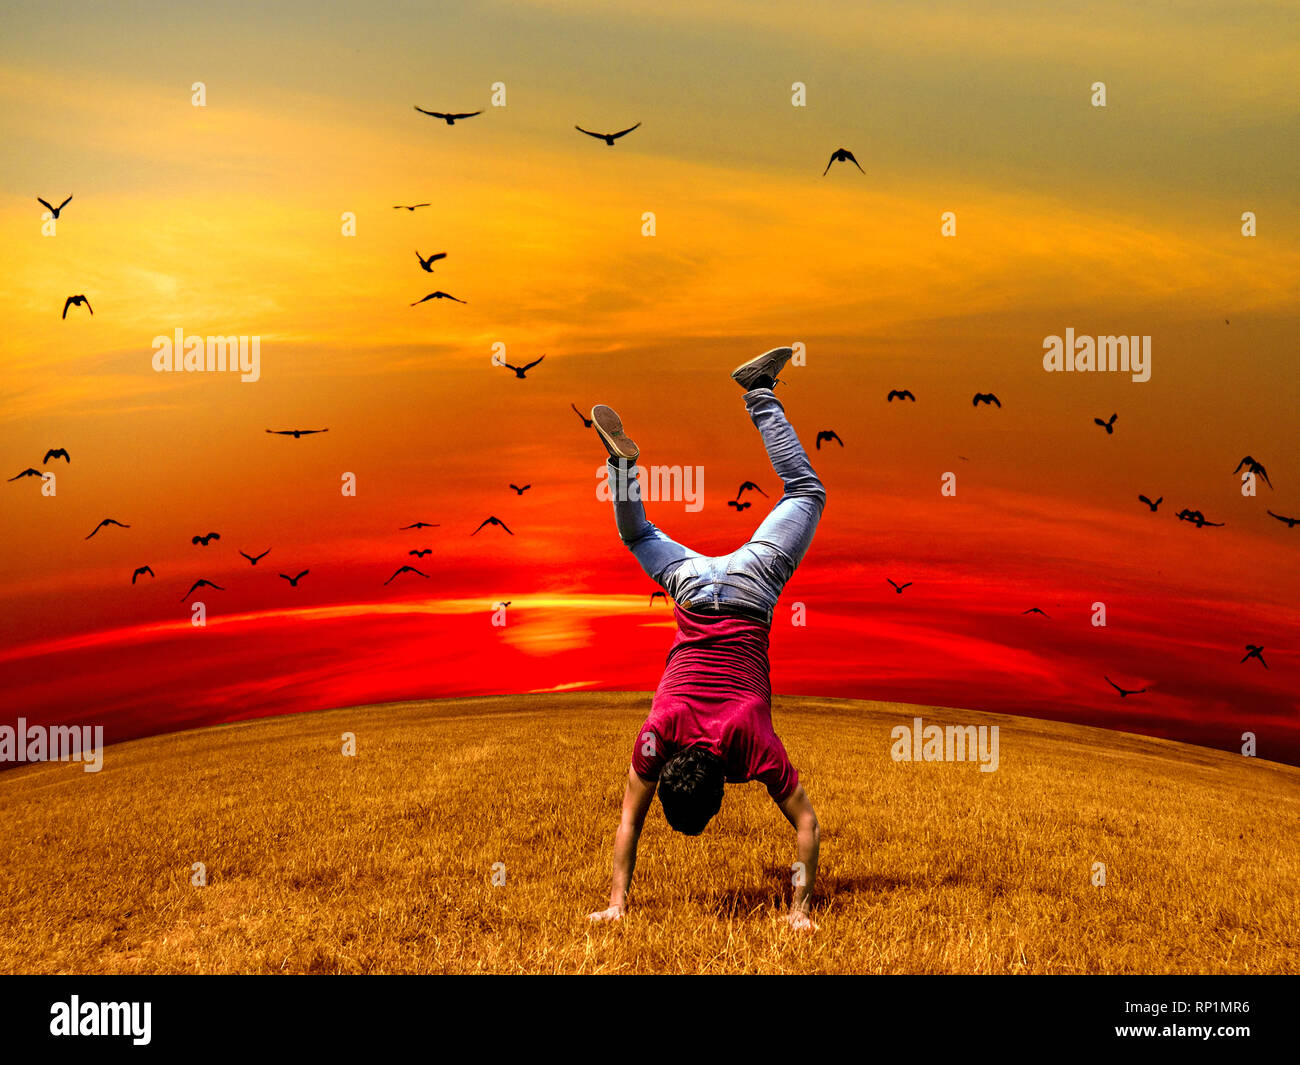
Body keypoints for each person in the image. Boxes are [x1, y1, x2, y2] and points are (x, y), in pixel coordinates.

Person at [587, 346, 826, 931]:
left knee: (807, 495)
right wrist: (616, 902)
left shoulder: (752, 746)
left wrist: (799, 913)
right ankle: (622, 469)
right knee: (638, 535)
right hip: (692, 588)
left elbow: (807, 826)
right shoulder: (658, 735)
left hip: (751, 590)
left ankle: (761, 391)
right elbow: (628, 823)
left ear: (724, 792)